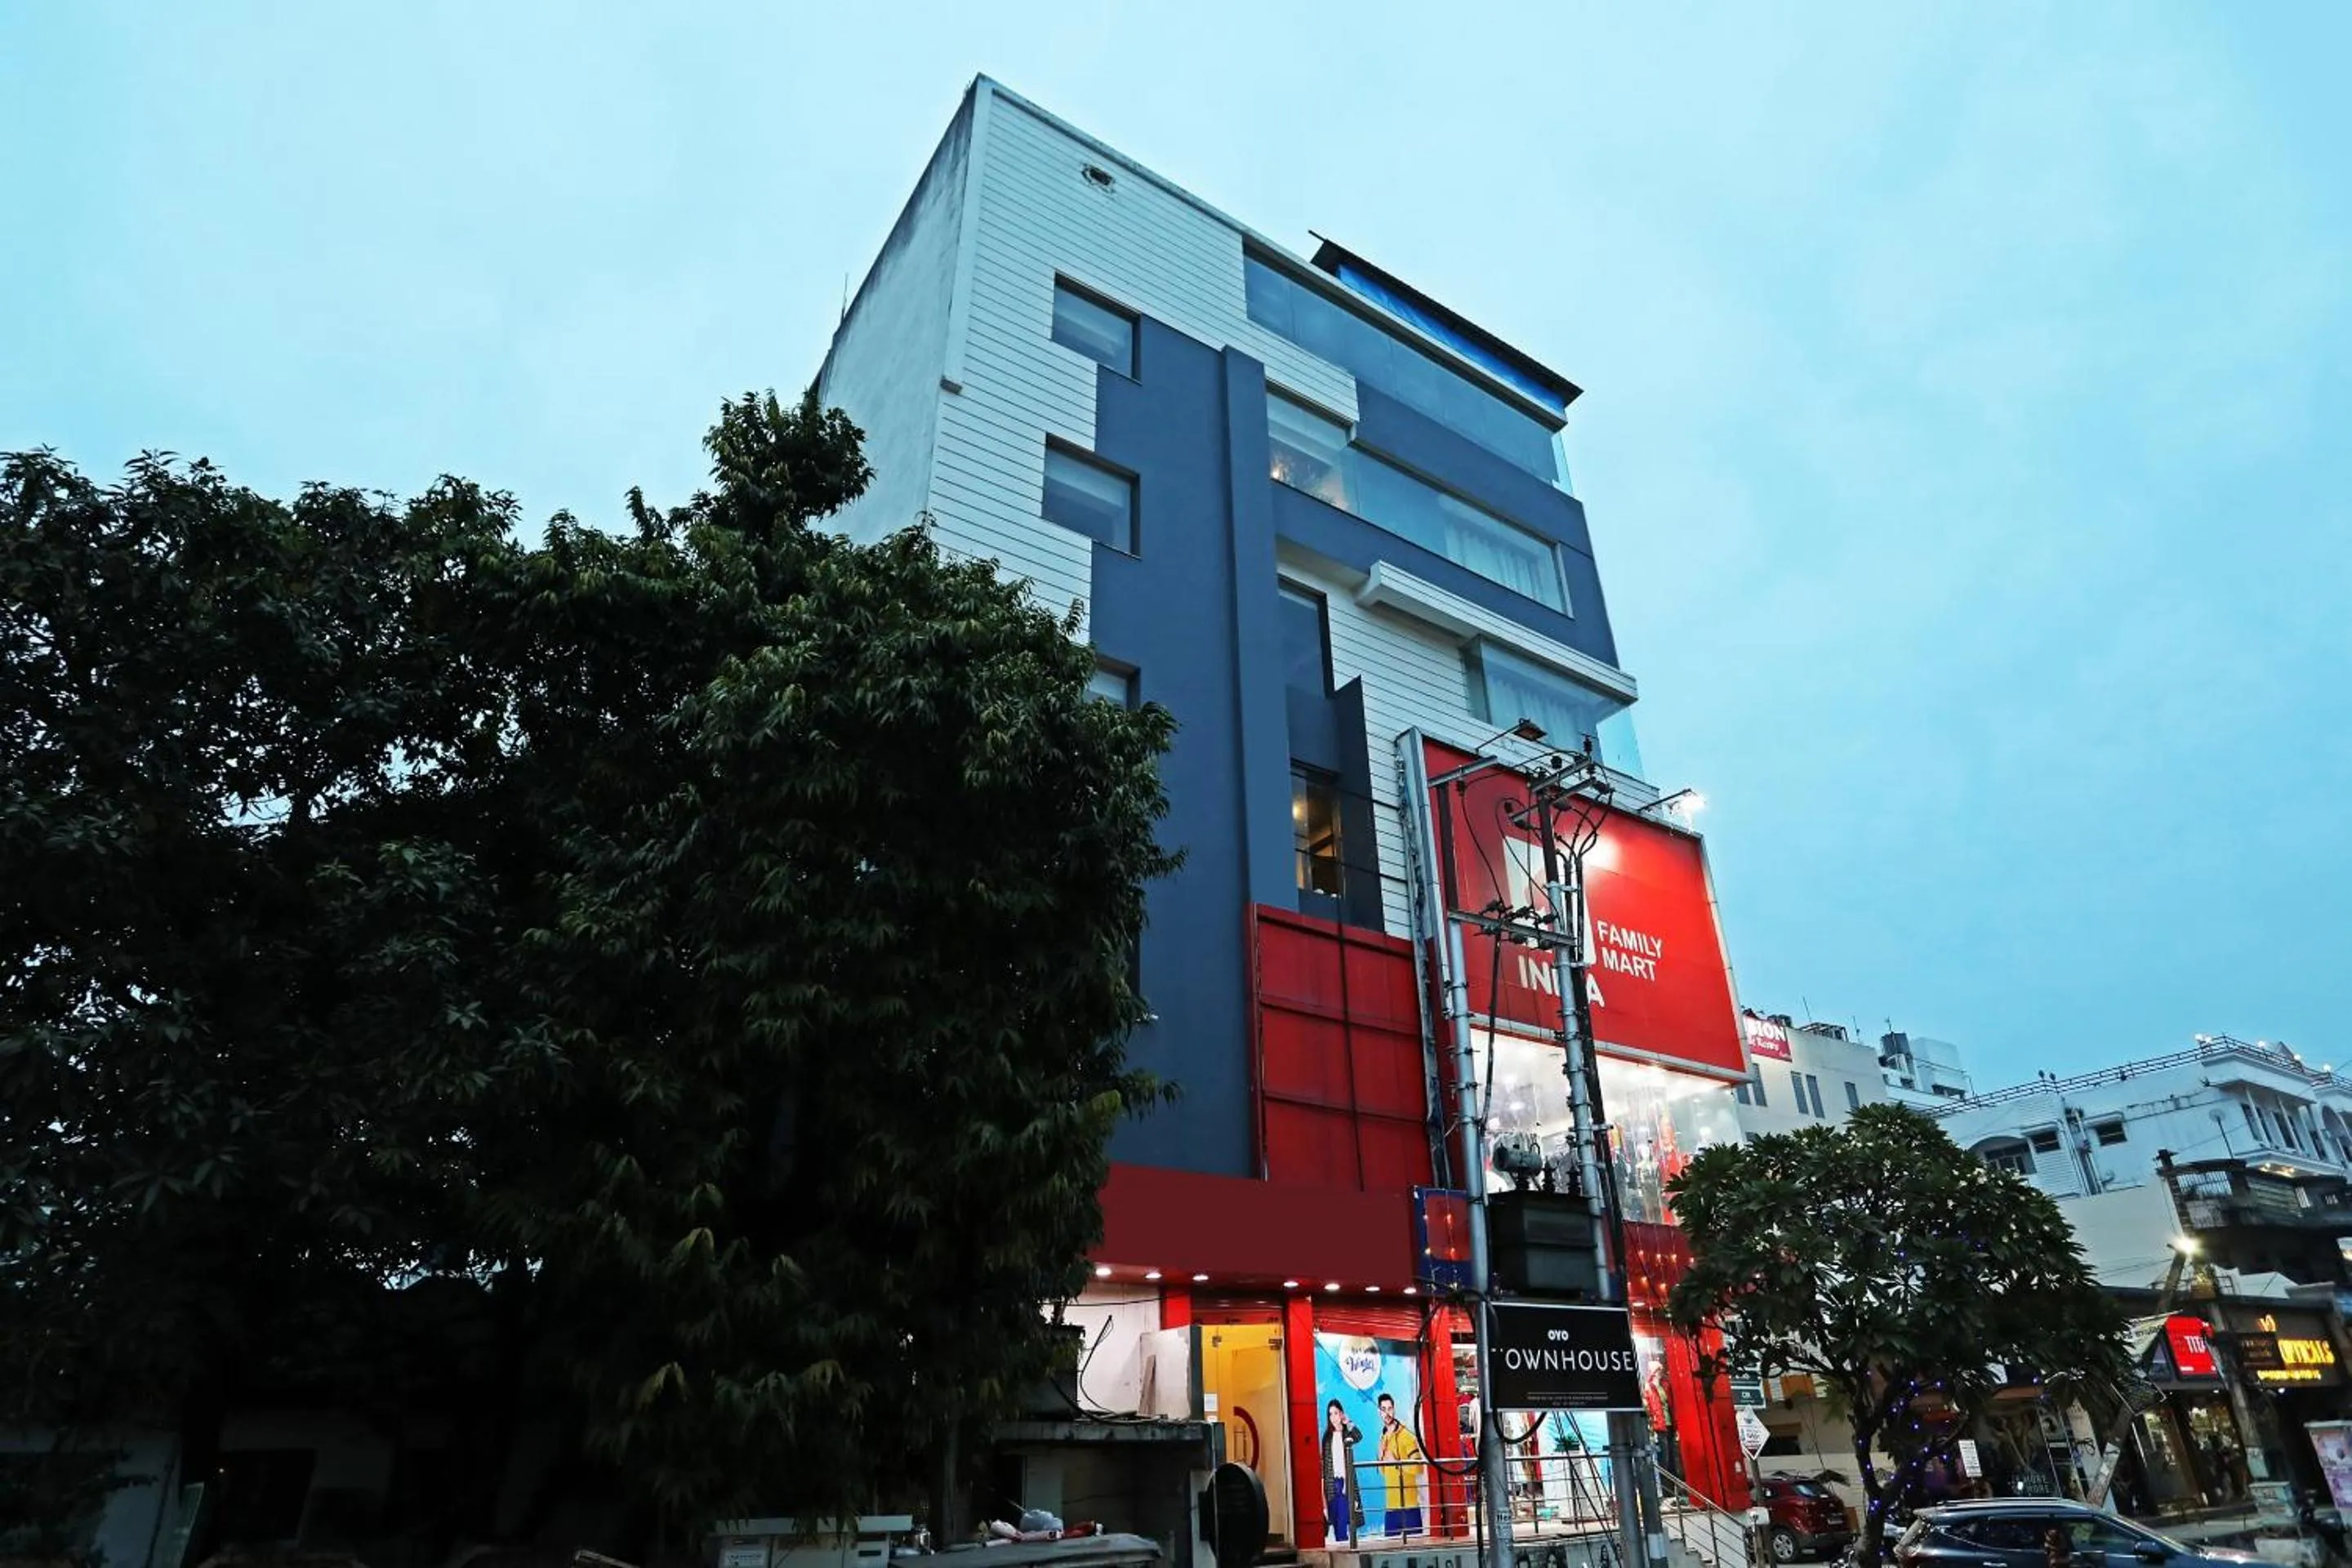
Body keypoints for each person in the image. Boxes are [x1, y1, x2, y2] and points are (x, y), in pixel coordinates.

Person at [1376, 1392, 1428, 1538]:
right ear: (1379, 1411)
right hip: (1391, 1508)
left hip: (1409, 1507)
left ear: (1394, 1409)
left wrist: (1397, 1463)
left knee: (1415, 1550)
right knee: (1389, 1551)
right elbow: (1384, 1473)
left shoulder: (1407, 1436)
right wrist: (1380, 1459)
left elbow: (1418, 1467)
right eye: (1384, 1409)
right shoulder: (1383, 1438)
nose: (1387, 1413)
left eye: (1390, 1408)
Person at [1325, 1400, 1363, 1546]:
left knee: (1346, 1519)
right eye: (1330, 1414)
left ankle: (1346, 1549)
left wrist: (1348, 1422)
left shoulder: (1347, 1432)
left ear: (1341, 1413)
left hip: (1346, 1482)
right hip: (1333, 1483)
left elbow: (1359, 1436)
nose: (1333, 1417)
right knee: (1337, 1520)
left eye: (1336, 1413)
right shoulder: (1327, 1437)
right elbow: (1325, 1466)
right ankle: (1344, 1548)